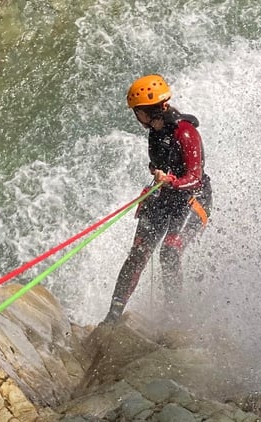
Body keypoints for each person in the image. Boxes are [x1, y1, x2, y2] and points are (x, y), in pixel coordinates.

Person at [104, 74, 213, 324]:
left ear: (148, 111)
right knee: (138, 253)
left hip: (193, 199)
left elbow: (195, 177)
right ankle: (112, 316)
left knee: (169, 252)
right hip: (166, 197)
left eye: (137, 111)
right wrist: (158, 173)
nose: (136, 117)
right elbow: (159, 162)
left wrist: (170, 181)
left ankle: (174, 318)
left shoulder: (185, 133)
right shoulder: (155, 131)